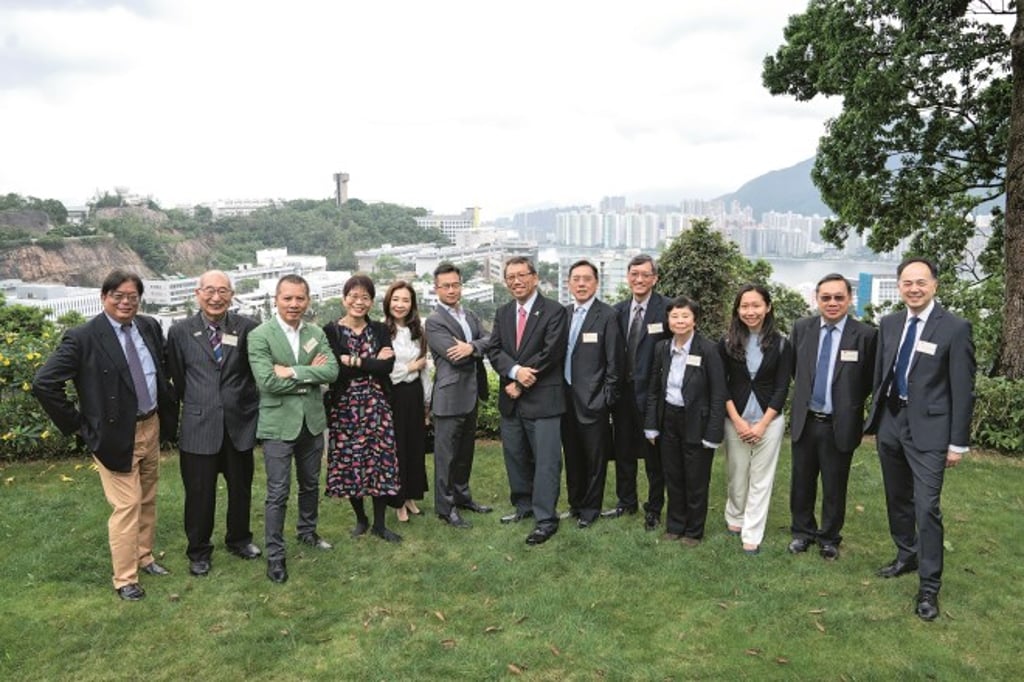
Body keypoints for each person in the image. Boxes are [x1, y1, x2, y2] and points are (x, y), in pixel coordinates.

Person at [32, 269, 178, 601]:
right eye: (118, 296)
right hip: (114, 436)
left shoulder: (148, 326)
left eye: (132, 297)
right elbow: (44, 383)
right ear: (104, 297)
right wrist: (80, 425)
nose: (126, 302)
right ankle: (125, 579)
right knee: (127, 505)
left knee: (147, 498)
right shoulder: (83, 337)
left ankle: (144, 556)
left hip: (150, 425)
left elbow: (160, 367)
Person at [864, 257, 975, 621]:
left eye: (921, 282)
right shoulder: (890, 322)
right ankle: (906, 554)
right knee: (897, 497)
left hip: (930, 431)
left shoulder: (955, 328)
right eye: (907, 282)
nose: (914, 289)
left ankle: (929, 587)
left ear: (934, 285)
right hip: (891, 423)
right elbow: (882, 373)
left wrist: (957, 443)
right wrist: (878, 419)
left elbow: (963, 389)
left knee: (927, 507)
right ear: (899, 286)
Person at [166, 270, 262, 578]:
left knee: (240, 489)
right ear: (198, 294)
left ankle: (239, 539)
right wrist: (201, 402)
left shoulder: (247, 328)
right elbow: (178, 377)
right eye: (209, 290)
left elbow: (254, 373)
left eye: (222, 291)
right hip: (199, 426)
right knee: (199, 494)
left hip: (238, 425)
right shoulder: (180, 331)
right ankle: (198, 551)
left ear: (231, 295)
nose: (216, 297)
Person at [247, 274, 339, 584]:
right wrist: (310, 378)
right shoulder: (260, 335)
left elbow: (332, 371)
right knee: (278, 492)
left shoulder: (315, 332)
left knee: (310, 484)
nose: (294, 304)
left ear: (307, 300)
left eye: (300, 298)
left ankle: (307, 532)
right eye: (287, 298)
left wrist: (292, 372)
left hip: (311, 423)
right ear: (276, 299)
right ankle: (275, 555)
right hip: (278, 426)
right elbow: (267, 382)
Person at [788, 274, 877, 561]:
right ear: (817, 299)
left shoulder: (866, 335)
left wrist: (847, 402)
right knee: (801, 481)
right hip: (806, 420)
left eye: (839, 297)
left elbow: (868, 379)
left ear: (849, 299)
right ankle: (802, 532)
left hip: (840, 423)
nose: (832, 303)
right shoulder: (802, 328)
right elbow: (795, 369)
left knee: (835, 485)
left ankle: (829, 538)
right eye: (826, 297)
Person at [487, 256, 568, 545]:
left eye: (522, 275)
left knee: (546, 462)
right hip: (512, 400)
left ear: (535, 278)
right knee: (516, 456)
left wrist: (522, 380)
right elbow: (494, 349)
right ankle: (523, 506)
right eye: (511, 277)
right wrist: (514, 372)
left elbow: (551, 352)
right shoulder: (503, 312)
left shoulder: (555, 311)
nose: (516, 281)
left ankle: (546, 519)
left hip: (543, 400)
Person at [322, 274, 403, 543]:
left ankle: (380, 524)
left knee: (379, 462)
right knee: (350, 462)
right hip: (345, 408)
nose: (359, 302)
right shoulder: (331, 331)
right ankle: (361, 518)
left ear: (372, 301)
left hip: (377, 406)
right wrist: (370, 362)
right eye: (354, 296)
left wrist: (353, 360)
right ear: (344, 299)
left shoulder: (379, 329)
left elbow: (387, 367)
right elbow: (337, 370)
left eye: (365, 297)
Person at [644, 296, 726, 545]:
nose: (680, 321)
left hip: (696, 422)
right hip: (668, 418)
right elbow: (654, 390)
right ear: (668, 320)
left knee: (696, 479)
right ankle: (675, 525)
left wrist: (713, 433)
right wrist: (651, 425)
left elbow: (718, 393)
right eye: (675, 316)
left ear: (695, 320)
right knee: (673, 475)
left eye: (685, 316)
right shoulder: (662, 348)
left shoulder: (708, 350)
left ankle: (693, 531)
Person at [719, 284, 793, 555]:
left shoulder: (782, 344)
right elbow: (721, 384)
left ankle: (752, 532)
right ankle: (735, 515)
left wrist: (762, 424)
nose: (750, 311)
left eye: (756, 305)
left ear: (768, 307)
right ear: (737, 310)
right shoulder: (726, 342)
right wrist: (737, 420)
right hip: (735, 418)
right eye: (745, 306)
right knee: (737, 474)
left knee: (762, 478)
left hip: (769, 422)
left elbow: (782, 387)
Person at [425, 263, 494, 530]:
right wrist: (474, 349)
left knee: (465, 453)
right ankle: (445, 508)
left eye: (455, 285)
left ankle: (463, 497)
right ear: (436, 289)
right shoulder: (434, 321)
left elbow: (491, 340)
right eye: (446, 286)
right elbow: (454, 355)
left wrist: (472, 346)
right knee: (446, 457)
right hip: (449, 397)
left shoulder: (471, 315)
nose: (452, 290)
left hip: (471, 394)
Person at [606, 254, 671, 530]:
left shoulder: (667, 309)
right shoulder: (617, 311)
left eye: (645, 274)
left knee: (654, 456)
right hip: (622, 395)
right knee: (623, 451)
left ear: (655, 278)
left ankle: (654, 508)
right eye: (634, 274)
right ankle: (626, 501)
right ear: (628, 277)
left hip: (653, 396)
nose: (639, 279)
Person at [561, 259, 623, 528]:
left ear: (596, 283)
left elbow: (615, 362)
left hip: (594, 401)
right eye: (576, 279)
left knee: (595, 459)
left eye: (587, 279)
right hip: (565, 400)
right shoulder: (563, 314)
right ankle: (575, 504)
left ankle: (591, 509)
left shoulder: (607, 315)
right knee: (572, 455)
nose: (581, 284)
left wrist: (605, 400)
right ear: (569, 284)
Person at [383, 280, 429, 523]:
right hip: (394, 396)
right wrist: (412, 366)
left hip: (414, 394)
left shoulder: (418, 331)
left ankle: (411, 495)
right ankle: (398, 501)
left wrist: (427, 401)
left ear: (412, 304)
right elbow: (387, 372)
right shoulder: (381, 331)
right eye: (396, 299)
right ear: (388, 302)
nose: (400, 305)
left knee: (415, 447)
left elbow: (425, 367)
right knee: (397, 448)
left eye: (405, 300)